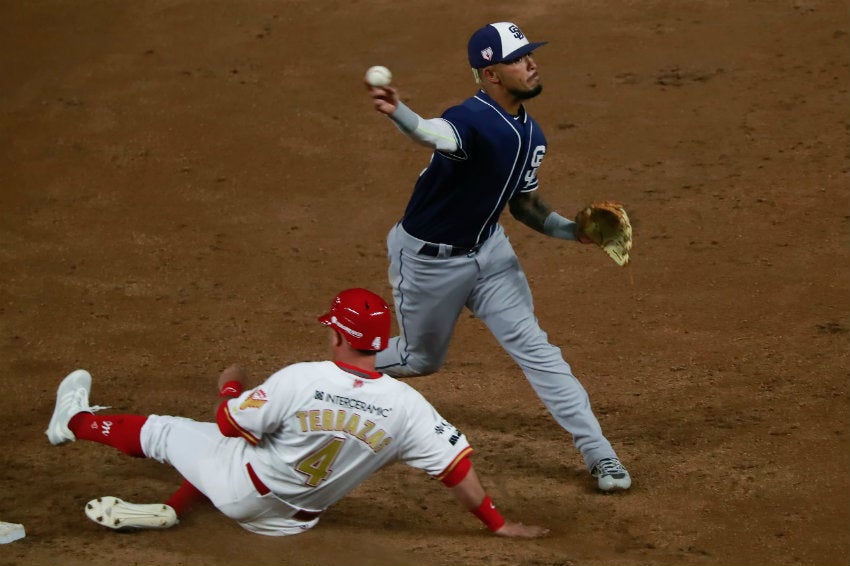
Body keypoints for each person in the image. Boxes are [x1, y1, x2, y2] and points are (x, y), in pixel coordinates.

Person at [45, 288, 548, 538]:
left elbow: (227, 424)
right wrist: (497, 523)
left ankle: (71, 421)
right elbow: (455, 468)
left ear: (337, 336)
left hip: (244, 494)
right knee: (235, 447)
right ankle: (175, 508)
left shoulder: (302, 377)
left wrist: (231, 387)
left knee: (174, 433)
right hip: (295, 522)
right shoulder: (409, 406)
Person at [365, 22, 631, 491]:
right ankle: (321, 377)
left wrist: (573, 232)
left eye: (530, 54)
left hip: (489, 253)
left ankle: (601, 455)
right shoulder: (470, 120)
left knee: (539, 352)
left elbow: (523, 203)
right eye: (519, 59)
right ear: (491, 74)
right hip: (429, 262)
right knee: (418, 359)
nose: (532, 64)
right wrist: (399, 112)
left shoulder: (532, 134)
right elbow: (433, 134)